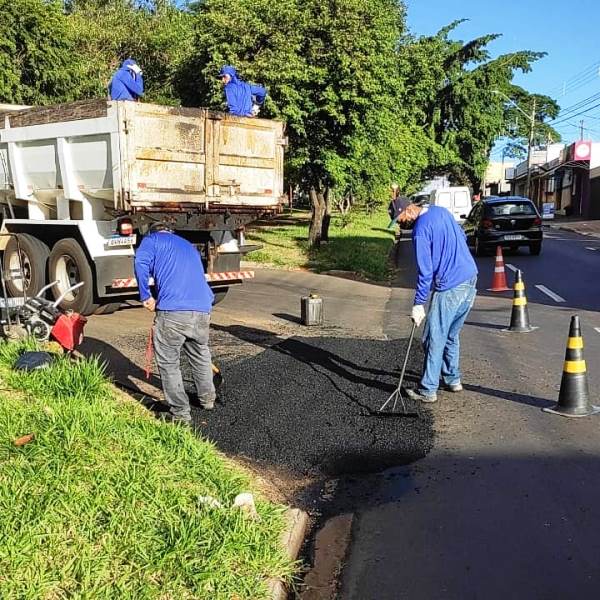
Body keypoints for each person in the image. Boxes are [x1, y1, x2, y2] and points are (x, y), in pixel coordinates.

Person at [134, 223, 216, 425]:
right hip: (202, 308)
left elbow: (140, 263)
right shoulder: (188, 245)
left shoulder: (151, 241)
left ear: (153, 232)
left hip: (173, 311)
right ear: (170, 232)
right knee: (200, 355)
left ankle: (180, 414)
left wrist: (145, 295)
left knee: (169, 362)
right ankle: (207, 400)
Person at [397, 203, 478, 403]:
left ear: (408, 210)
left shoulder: (420, 230)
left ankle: (428, 389)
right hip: (470, 276)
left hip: (451, 286)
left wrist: (419, 304)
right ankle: (452, 379)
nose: (400, 224)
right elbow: (462, 236)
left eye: (399, 219)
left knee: (434, 336)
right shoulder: (440, 211)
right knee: (451, 333)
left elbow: (425, 272)